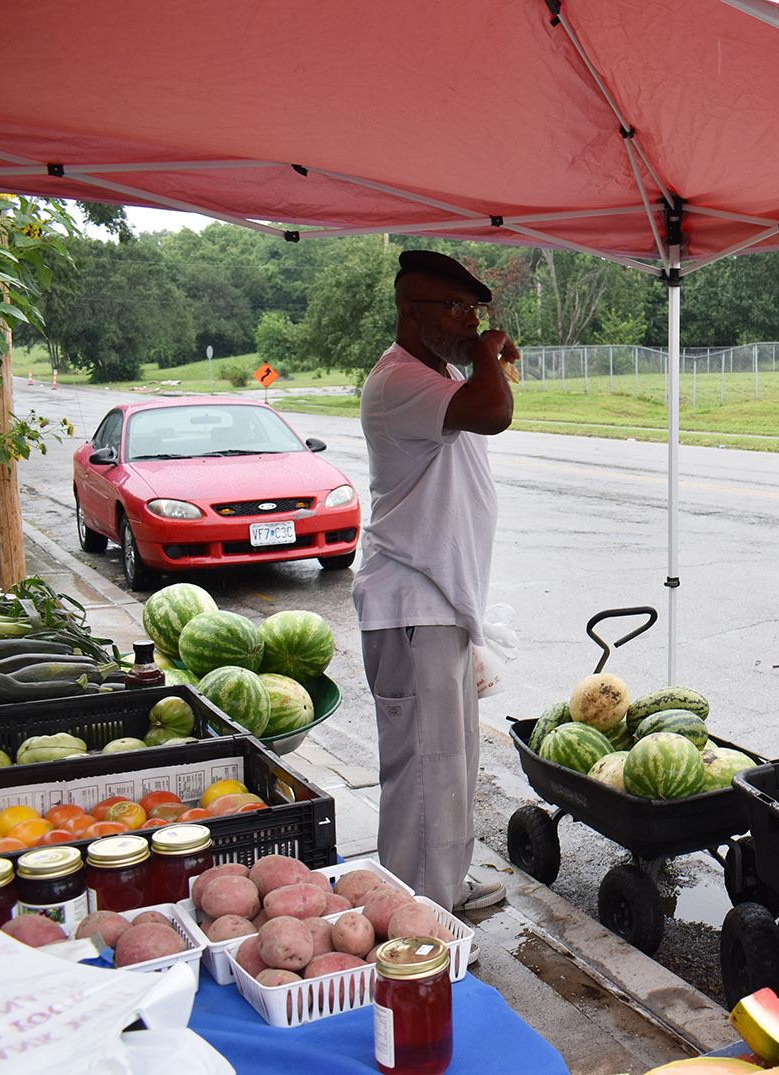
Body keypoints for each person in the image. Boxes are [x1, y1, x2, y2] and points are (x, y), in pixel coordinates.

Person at [352, 249, 517, 913]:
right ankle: (416, 922)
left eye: (476, 310)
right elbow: (495, 409)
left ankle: (438, 889)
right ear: (411, 310)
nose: (470, 322)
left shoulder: (441, 377)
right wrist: (487, 354)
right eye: (456, 308)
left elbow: (492, 402)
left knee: (449, 768)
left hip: (437, 605)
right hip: (411, 604)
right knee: (425, 773)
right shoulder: (399, 382)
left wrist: (477, 355)